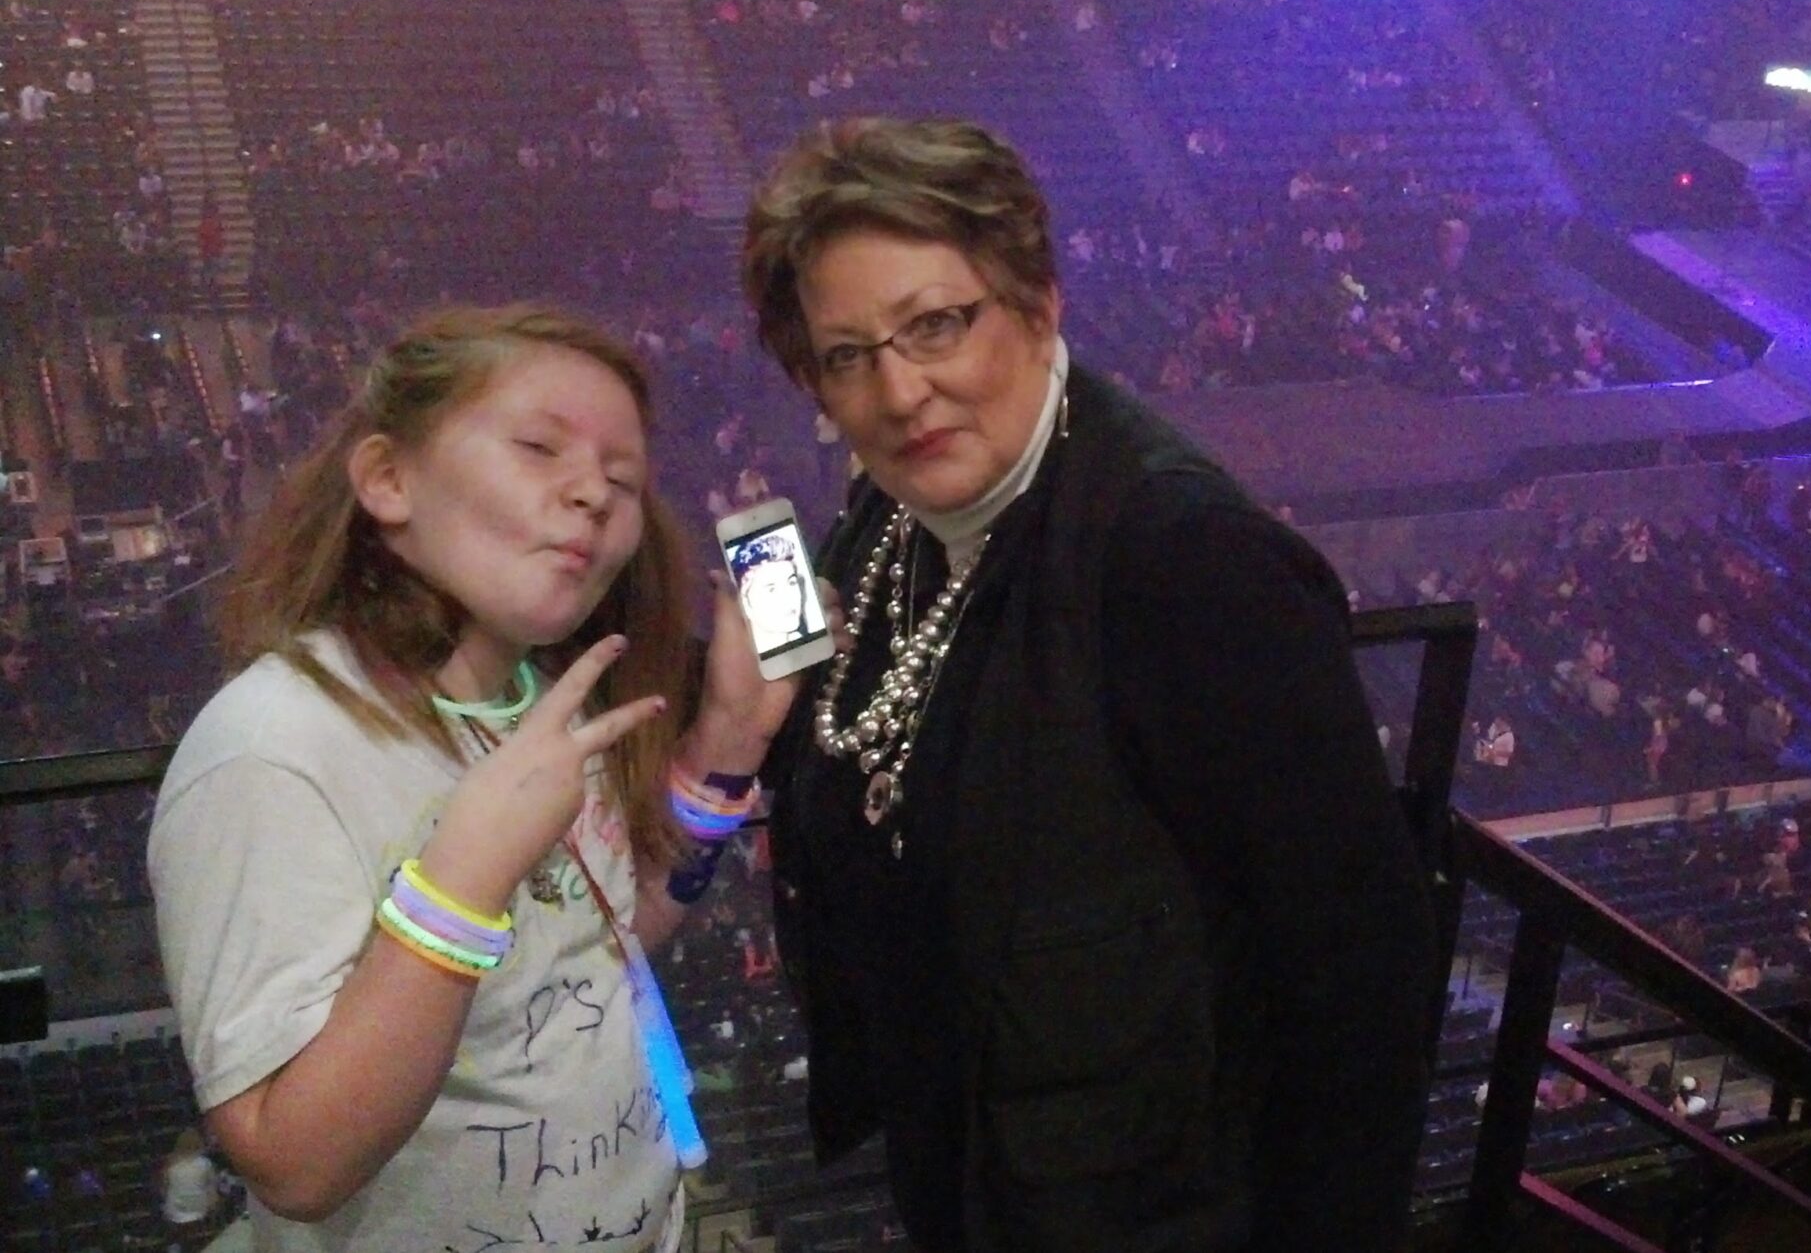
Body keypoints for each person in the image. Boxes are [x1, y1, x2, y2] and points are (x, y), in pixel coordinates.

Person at [739, 116, 1437, 1252]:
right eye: (847, 355)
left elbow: (1358, 979)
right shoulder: (885, 515)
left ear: (1038, 303)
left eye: (935, 326)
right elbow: (851, 732)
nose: (900, 391)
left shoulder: (1186, 562)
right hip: (983, 1179)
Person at [147, 307, 803, 1251]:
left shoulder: (547, 704)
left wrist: (728, 743)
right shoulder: (270, 747)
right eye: (540, 447)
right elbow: (295, 1162)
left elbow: (598, 953)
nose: (594, 494)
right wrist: (460, 878)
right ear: (387, 479)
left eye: (623, 478)